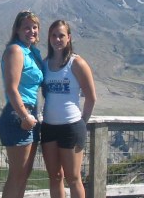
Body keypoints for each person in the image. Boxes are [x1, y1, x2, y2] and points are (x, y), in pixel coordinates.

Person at [41, 20, 97, 198]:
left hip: (71, 127)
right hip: (49, 127)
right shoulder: (44, 64)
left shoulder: (76, 63)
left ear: (69, 38)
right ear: (49, 38)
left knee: (73, 178)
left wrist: (81, 122)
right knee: (55, 176)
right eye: (54, 35)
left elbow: (91, 97)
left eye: (61, 35)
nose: (57, 39)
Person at [0, 10, 44, 198]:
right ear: (17, 30)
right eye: (26, 27)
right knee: (17, 176)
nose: (31, 31)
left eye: (34, 27)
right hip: (19, 114)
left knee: (24, 175)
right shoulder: (15, 50)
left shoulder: (31, 52)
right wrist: (24, 116)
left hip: (30, 114)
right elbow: (12, 88)